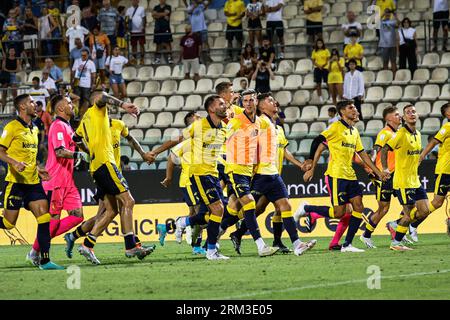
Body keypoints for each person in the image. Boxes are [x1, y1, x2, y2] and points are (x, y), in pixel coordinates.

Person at [64, 96, 155, 259]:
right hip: (106, 165)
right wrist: (124, 104)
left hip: (98, 168)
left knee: (112, 210)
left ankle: (87, 244)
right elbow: (103, 97)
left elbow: (75, 139)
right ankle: (130, 246)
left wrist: (89, 152)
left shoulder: (86, 121)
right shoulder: (97, 111)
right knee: (128, 202)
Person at [149, 95, 231, 260]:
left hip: (213, 174)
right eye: (221, 104)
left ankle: (183, 223)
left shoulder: (223, 127)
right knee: (217, 209)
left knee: (214, 212)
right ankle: (210, 250)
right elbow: (176, 139)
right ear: (211, 109)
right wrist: (155, 152)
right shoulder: (199, 126)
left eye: (225, 103)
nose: (225, 106)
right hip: (200, 173)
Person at [303, 100, 389, 252]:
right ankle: (308, 208)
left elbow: (362, 154)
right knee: (339, 212)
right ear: (342, 112)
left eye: (355, 107)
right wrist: (311, 164)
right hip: (336, 175)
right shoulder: (335, 127)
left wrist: (377, 172)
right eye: (351, 108)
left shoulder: (354, 131)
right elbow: (318, 141)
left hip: (350, 175)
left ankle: (347, 244)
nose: (355, 110)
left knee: (358, 207)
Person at [0, 94, 63, 269]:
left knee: (44, 218)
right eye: (31, 102)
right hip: (16, 183)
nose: (35, 105)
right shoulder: (12, 127)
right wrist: (14, 163)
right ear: (22, 107)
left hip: (33, 183)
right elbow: (1, 151)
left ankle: (45, 260)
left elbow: (29, 156)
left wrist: (37, 169)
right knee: (8, 224)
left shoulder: (35, 128)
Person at [26, 94, 86, 266]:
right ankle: (34, 252)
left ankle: (48, 243)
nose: (72, 105)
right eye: (69, 103)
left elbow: (76, 142)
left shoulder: (67, 127)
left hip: (68, 182)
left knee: (77, 216)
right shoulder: (58, 126)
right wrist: (79, 154)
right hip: (55, 182)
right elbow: (60, 151)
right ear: (61, 109)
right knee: (52, 224)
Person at [220, 89, 280, 257]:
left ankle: (213, 238)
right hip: (235, 168)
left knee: (235, 208)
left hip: (249, 170)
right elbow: (223, 138)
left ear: (255, 102)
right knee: (250, 203)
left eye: (251, 100)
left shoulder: (259, 122)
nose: (248, 103)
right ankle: (261, 246)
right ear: (242, 103)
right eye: (245, 101)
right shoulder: (237, 121)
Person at [380, 105, 431, 251]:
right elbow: (384, 150)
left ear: (418, 115)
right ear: (404, 118)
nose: (411, 114)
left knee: (425, 211)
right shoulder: (400, 134)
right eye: (408, 112)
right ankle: (396, 243)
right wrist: (385, 169)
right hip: (402, 182)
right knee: (408, 215)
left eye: (413, 111)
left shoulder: (418, 134)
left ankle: (396, 224)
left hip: (415, 181)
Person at [159, 111, 204, 253]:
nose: (201, 119)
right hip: (189, 182)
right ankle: (197, 246)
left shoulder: (201, 139)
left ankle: (166, 227)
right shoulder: (187, 142)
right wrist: (169, 178)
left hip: (200, 180)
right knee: (201, 215)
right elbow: (171, 158)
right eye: (197, 118)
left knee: (194, 215)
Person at [359, 106, 401, 248]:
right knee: (383, 208)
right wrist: (374, 170)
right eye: (396, 114)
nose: (399, 116)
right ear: (388, 118)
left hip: (398, 175)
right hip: (384, 176)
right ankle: (366, 235)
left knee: (411, 204)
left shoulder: (399, 132)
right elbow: (375, 150)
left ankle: (397, 227)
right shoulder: (385, 133)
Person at [411, 103, 450, 238]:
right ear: (447, 114)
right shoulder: (447, 127)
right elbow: (434, 142)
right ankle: (407, 222)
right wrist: (422, 155)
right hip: (445, 170)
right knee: (437, 202)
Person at [71, 48, 96, 116]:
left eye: (84, 55)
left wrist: (93, 83)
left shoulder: (91, 63)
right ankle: (76, 113)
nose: (83, 56)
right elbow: (73, 71)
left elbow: (93, 74)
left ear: (88, 55)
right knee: (76, 98)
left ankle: (82, 114)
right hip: (77, 82)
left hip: (86, 84)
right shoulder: (77, 61)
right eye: (82, 55)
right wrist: (72, 81)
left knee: (86, 99)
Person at [152, 0, 174, 64]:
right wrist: (163, 14)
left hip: (165, 27)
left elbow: (166, 13)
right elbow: (153, 15)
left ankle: (170, 58)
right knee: (158, 44)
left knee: (167, 43)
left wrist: (157, 14)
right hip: (157, 28)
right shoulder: (156, 7)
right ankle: (157, 59)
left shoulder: (168, 6)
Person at [89, 24, 110, 89]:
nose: (94, 32)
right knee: (93, 70)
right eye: (93, 31)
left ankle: (103, 83)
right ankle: (94, 83)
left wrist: (108, 55)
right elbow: (91, 46)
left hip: (102, 55)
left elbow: (108, 45)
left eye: (96, 31)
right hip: (94, 55)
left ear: (99, 30)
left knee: (102, 70)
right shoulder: (91, 37)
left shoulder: (104, 36)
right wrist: (90, 55)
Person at [379, 9, 399, 74]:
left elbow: (399, 24)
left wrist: (395, 15)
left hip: (392, 45)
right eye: (386, 12)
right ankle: (386, 76)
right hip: (384, 45)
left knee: (393, 61)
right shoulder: (381, 22)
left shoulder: (392, 21)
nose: (387, 14)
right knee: (385, 62)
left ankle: (394, 77)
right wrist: (383, 14)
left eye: (388, 13)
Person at [126, 0, 146, 64]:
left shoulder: (141, 8)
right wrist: (127, 29)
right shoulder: (128, 10)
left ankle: (142, 59)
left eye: (135, 0)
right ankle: (134, 59)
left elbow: (144, 18)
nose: (134, 1)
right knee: (133, 45)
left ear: (138, 1)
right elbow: (126, 20)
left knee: (141, 44)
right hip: (132, 31)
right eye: (133, 0)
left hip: (140, 30)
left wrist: (143, 27)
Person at [311, 38, 330, 103]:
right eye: (318, 43)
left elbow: (327, 60)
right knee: (318, 83)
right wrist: (319, 66)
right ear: (316, 44)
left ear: (323, 44)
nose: (319, 44)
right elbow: (313, 61)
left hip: (325, 68)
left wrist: (323, 65)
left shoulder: (326, 50)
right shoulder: (314, 51)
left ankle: (331, 96)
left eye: (321, 43)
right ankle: (320, 97)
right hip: (317, 68)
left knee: (328, 82)